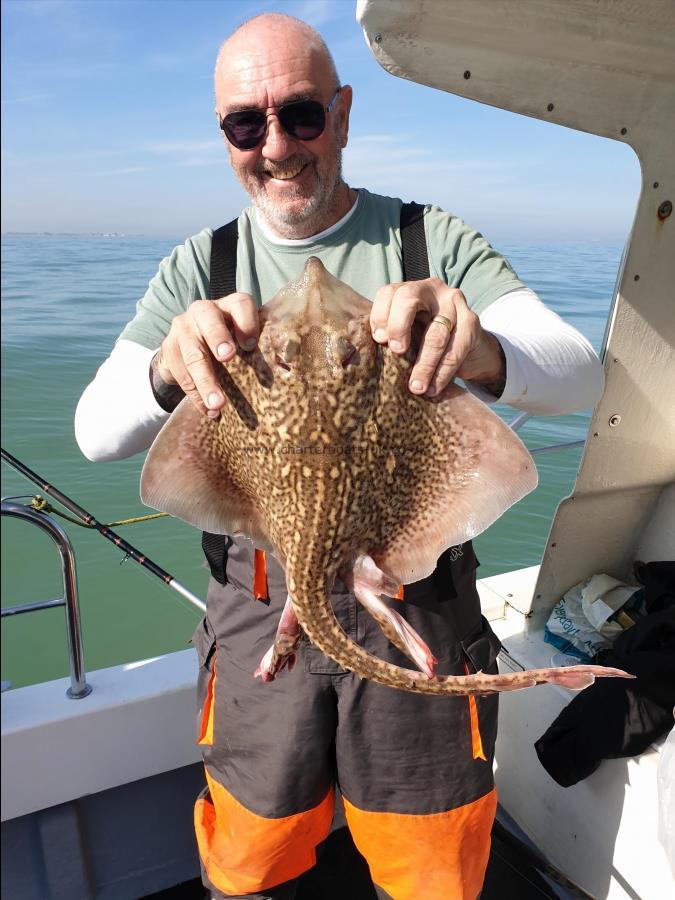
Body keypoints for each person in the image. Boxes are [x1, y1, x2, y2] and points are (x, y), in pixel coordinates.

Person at [75, 12, 604, 900]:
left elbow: (578, 374)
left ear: (344, 112)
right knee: (252, 853)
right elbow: (97, 431)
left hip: (415, 590)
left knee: (429, 859)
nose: (276, 144)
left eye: (302, 115)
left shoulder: (426, 239)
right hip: (255, 600)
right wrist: (170, 364)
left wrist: (471, 347)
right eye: (248, 122)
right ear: (225, 135)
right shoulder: (198, 266)